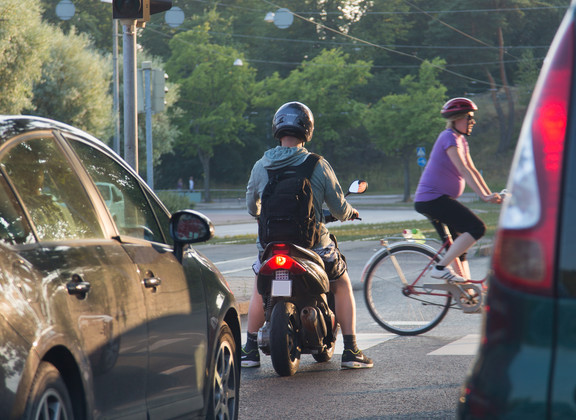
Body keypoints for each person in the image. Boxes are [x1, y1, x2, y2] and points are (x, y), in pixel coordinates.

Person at [243, 101, 373, 369]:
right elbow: (338, 208)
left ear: (277, 128)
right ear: (308, 129)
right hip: (313, 246)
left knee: (259, 288)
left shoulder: (260, 165)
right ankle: (351, 350)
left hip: (270, 246)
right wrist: (350, 213)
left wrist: (261, 213)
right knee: (341, 283)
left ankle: (249, 349)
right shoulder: (317, 164)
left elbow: (250, 206)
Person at [414, 97, 502, 282]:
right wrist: (484, 197)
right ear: (457, 118)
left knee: (458, 247)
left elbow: (473, 170)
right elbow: (463, 169)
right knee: (477, 228)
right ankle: (439, 268)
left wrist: (489, 194)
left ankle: (467, 292)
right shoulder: (448, 137)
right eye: (469, 117)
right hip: (432, 199)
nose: (473, 121)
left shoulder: (461, 140)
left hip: (438, 199)